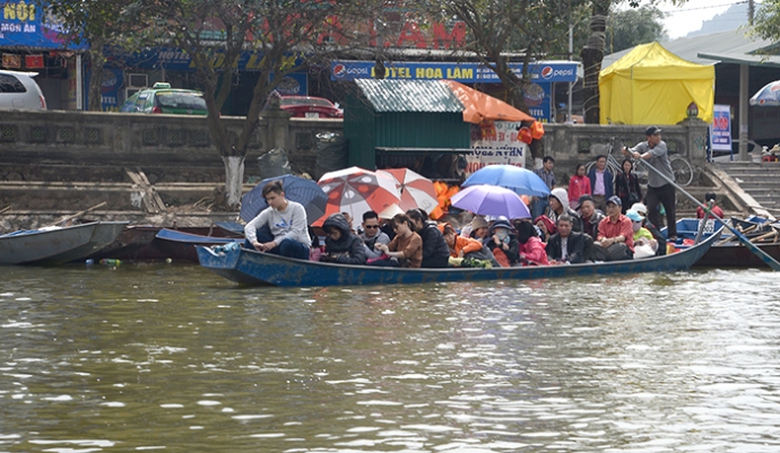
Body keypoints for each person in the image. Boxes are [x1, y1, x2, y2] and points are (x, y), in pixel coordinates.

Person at [623, 126, 677, 241]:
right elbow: (633, 150)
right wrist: (626, 151)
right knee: (651, 209)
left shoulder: (662, 145)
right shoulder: (644, 145)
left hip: (666, 183)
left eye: (659, 135)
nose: (658, 137)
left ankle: (672, 234)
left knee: (670, 210)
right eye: (655, 135)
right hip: (653, 185)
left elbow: (650, 154)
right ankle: (656, 233)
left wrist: (640, 156)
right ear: (649, 137)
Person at [244, 180, 310, 260]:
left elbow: (295, 232)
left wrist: (274, 243)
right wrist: (254, 242)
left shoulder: (297, 208)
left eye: (273, 198)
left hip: (298, 246)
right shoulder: (269, 212)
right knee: (250, 239)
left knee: (286, 243)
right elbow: (249, 226)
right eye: (268, 199)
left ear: (282, 195)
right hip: (278, 246)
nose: (270, 202)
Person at [593, 196, 634, 261]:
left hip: (623, 249)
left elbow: (622, 237)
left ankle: (604, 257)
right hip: (608, 247)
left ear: (620, 208)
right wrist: (603, 239)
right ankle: (606, 257)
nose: (611, 209)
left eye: (613, 207)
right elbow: (600, 235)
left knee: (621, 246)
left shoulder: (626, 221)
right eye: (609, 207)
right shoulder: (603, 222)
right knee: (594, 244)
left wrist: (611, 241)